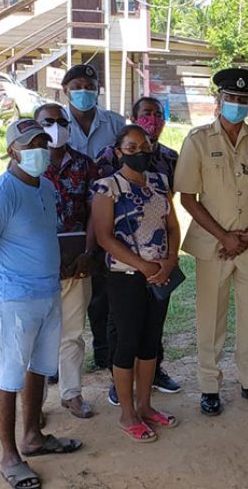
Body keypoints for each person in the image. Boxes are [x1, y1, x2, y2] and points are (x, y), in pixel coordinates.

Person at [0, 120, 81, 489]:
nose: (40, 151)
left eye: (43, 143)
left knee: (39, 369)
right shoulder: (0, 195)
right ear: (13, 150)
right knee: (9, 375)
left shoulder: (45, 187)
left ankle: (33, 436)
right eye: (31, 144)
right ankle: (9, 455)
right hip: (13, 298)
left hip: (48, 293)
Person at [174, 68, 248, 415]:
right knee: (211, 315)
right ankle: (209, 385)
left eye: (243, 100)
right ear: (218, 101)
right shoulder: (198, 140)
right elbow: (187, 197)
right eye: (231, 99)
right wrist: (225, 237)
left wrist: (247, 236)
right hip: (213, 244)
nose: (237, 105)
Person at [91, 124, 181, 443]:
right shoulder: (107, 187)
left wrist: (169, 261)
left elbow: (172, 225)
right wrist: (143, 265)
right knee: (127, 342)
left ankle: (145, 406)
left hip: (160, 273)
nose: (139, 153)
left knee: (150, 341)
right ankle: (127, 413)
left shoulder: (160, 182)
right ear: (118, 152)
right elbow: (104, 237)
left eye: (145, 147)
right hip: (125, 276)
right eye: (131, 148)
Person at [61, 64, 125, 372]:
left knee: (104, 291)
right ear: (65, 90)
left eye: (89, 85)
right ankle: (55, 362)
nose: (84, 91)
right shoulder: (55, 122)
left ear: (98, 88)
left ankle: (103, 351)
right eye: (77, 86)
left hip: (108, 215)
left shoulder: (114, 123)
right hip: (66, 220)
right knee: (62, 291)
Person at [37, 103, 98, 419]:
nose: (56, 127)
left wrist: (87, 253)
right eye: (48, 121)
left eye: (62, 122)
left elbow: (95, 213)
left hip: (78, 265)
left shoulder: (86, 166)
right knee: (37, 337)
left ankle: (71, 394)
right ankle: (35, 404)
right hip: (37, 268)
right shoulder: (26, 165)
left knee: (73, 333)